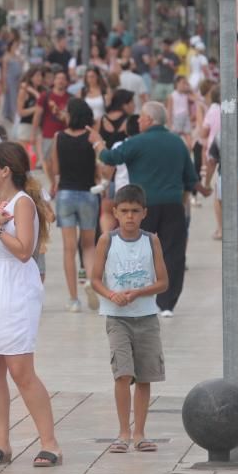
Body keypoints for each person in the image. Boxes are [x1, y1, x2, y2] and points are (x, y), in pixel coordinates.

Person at [0, 141, 61, 468]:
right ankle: (2, 443)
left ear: (5, 170)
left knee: (21, 370)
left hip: (14, 289)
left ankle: (50, 443)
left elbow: (23, 251)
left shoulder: (23, 203)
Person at [91, 102, 209, 317]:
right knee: (173, 253)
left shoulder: (137, 142)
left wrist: (97, 143)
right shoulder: (178, 143)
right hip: (173, 205)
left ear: (149, 120)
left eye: (141, 117)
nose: (138, 121)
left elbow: (110, 158)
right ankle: (167, 304)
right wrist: (203, 189)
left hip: (144, 208)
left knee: (139, 251)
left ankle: (142, 296)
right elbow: (190, 177)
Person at [89, 184, 169, 455]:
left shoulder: (152, 241)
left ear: (144, 213)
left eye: (135, 211)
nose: (130, 217)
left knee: (145, 376)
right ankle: (123, 432)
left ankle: (140, 433)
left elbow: (162, 282)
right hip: (117, 318)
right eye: (124, 211)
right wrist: (112, 295)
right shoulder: (107, 241)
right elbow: (95, 278)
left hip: (146, 317)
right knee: (123, 373)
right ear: (115, 213)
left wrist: (139, 292)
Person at [47, 99, 99, 313]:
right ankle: (90, 280)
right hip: (88, 193)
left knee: (69, 248)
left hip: (65, 194)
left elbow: (54, 167)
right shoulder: (92, 137)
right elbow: (98, 166)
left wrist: (53, 184)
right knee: (88, 245)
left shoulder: (59, 137)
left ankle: (73, 300)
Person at [32, 68, 70, 176]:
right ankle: (52, 183)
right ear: (54, 81)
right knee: (48, 162)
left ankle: (57, 184)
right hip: (48, 135)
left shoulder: (70, 98)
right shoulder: (45, 96)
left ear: (67, 82)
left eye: (63, 79)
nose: (60, 81)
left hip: (64, 135)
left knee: (62, 162)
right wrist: (33, 134)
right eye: (58, 78)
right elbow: (37, 115)